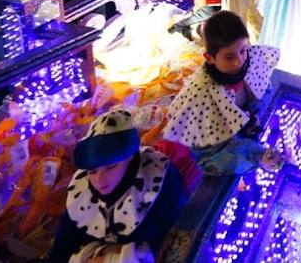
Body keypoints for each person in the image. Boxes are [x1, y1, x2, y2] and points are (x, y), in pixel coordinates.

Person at [49, 109, 201, 263]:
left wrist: (109, 259)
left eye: (111, 167)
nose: (100, 180)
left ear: (130, 157)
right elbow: (62, 248)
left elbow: (174, 246)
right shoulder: (81, 191)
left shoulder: (161, 180)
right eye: (93, 171)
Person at [163, 11, 283, 176]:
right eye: (229, 57)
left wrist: (251, 117)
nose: (239, 61)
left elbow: (262, 90)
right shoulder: (201, 97)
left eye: (242, 50)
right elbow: (209, 158)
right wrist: (257, 155)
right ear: (210, 58)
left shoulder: (253, 59)